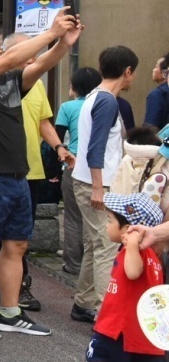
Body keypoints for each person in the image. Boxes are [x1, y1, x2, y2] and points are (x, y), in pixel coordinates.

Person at [0, 12, 79, 340]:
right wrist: (51, 31)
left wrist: (63, 44)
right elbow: (13, 57)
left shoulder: (10, 79)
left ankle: (9, 312)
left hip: (17, 173)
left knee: (18, 243)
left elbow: (38, 66)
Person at [84, 192, 166, 362]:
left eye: (110, 220)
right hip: (146, 330)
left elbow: (132, 273)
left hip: (122, 326)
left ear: (128, 229)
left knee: (95, 353)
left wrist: (131, 245)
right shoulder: (154, 258)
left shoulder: (137, 253)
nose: (107, 225)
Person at [71, 45, 139, 324]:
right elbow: (96, 148)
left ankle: (84, 302)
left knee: (94, 243)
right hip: (98, 184)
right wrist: (99, 187)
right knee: (105, 246)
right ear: (127, 71)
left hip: (85, 180)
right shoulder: (108, 101)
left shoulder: (93, 96)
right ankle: (104, 314)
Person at [55, 67, 103, 282]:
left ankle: (73, 264)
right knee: (96, 219)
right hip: (102, 168)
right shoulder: (107, 103)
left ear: (74, 86)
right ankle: (93, 267)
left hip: (74, 164)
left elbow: (56, 138)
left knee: (73, 217)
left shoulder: (68, 107)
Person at [144, 52, 169, 130]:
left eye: (156, 67)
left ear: (165, 72)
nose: (153, 70)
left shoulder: (157, 94)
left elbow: (150, 127)